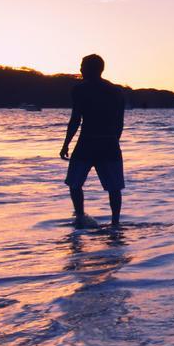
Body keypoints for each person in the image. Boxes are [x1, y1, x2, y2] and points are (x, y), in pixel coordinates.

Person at [60, 54, 126, 226]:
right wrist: (113, 140)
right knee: (114, 188)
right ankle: (115, 224)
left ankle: (80, 217)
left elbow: (75, 119)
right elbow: (120, 123)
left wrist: (66, 144)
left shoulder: (80, 90)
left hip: (87, 143)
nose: (80, 69)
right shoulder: (116, 91)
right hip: (109, 143)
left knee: (75, 183)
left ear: (91, 69)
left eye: (82, 66)